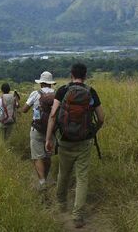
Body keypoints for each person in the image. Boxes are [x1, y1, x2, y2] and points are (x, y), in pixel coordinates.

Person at [45, 63, 105, 229]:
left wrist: (48, 138)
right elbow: (101, 118)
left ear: (71, 74)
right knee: (82, 178)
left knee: (63, 174)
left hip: (64, 140)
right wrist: (93, 132)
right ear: (85, 75)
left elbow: (52, 115)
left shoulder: (63, 91)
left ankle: (61, 207)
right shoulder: (91, 92)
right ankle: (77, 216)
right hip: (84, 142)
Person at [22, 71, 56, 190]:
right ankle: (46, 178)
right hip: (51, 131)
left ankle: (42, 182)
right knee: (47, 156)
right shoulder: (57, 95)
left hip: (36, 129)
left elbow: (24, 109)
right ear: (51, 83)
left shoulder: (35, 94)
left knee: (37, 157)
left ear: (41, 83)